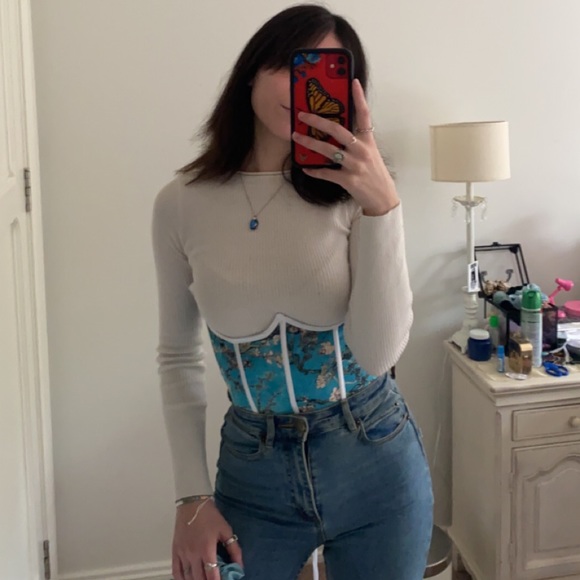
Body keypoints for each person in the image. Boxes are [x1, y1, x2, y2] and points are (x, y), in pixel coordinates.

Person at [151, 5, 433, 580]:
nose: (305, 88)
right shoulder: (180, 203)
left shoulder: (358, 193)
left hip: (376, 455)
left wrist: (384, 206)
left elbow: (379, 354)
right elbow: (177, 356)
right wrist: (190, 498)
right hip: (253, 471)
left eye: (327, 73)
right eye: (291, 65)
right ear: (251, 73)